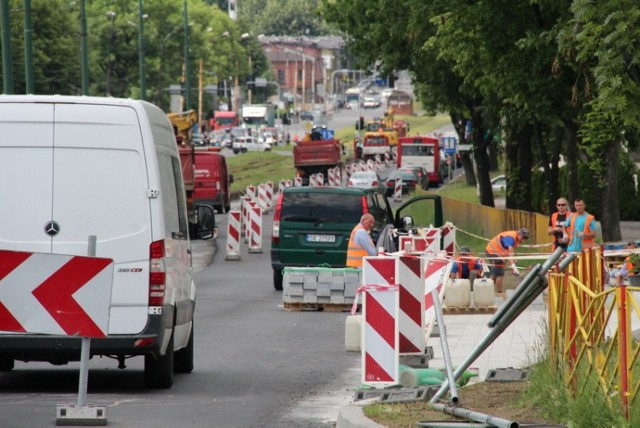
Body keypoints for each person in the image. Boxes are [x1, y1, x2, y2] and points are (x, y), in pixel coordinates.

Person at [485, 228, 530, 294]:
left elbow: (510, 251)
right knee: (500, 274)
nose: (523, 240)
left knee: (495, 273)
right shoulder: (510, 238)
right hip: (492, 251)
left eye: (525, 239)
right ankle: (499, 293)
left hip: (498, 253)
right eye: (523, 238)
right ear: (519, 234)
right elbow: (510, 251)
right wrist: (513, 265)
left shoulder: (515, 237)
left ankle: (486, 290)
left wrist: (513, 259)